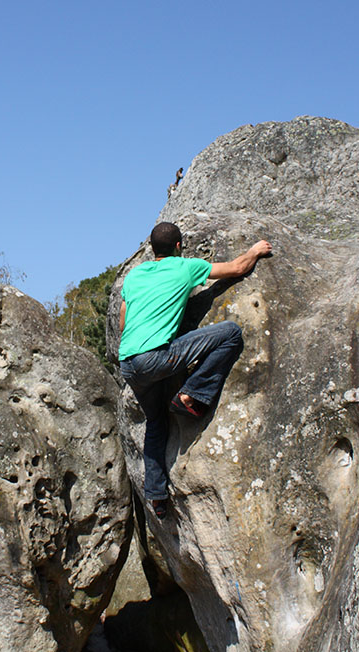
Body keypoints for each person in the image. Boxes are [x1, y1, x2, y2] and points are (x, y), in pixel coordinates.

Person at [118, 222, 272, 519]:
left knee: (156, 420)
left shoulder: (134, 276)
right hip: (157, 357)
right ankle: (191, 394)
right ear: (179, 246)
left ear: (152, 249)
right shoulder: (185, 267)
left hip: (130, 365)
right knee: (230, 333)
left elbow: (124, 323)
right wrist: (255, 250)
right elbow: (237, 268)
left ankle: (157, 497)